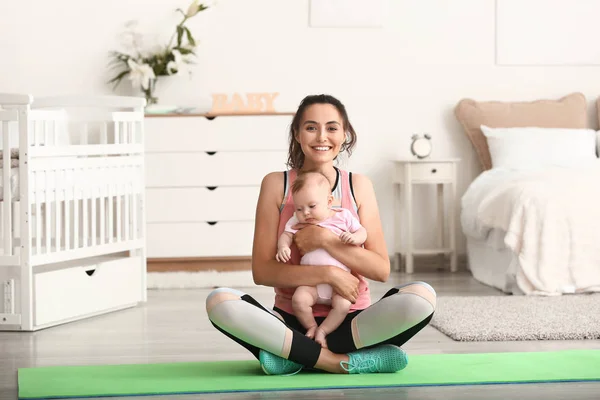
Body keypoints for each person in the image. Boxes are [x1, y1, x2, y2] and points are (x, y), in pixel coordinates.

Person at [206, 94, 436, 376]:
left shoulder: (358, 185)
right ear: (297, 133)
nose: (321, 136)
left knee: (422, 297)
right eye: (311, 127)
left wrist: (325, 240)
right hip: (292, 320)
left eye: (332, 127)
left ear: (345, 134)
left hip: (352, 320)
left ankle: (295, 355)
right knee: (219, 302)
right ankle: (343, 362)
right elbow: (262, 272)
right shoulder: (276, 184)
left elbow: (381, 269)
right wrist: (328, 274)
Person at [276, 170, 367, 349]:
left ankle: (323, 331)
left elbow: (362, 232)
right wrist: (283, 246)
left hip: (339, 285)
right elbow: (287, 234)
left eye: (312, 206)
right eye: (299, 208)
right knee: (299, 300)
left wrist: (355, 238)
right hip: (311, 283)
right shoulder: (297, 220)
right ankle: (311, 326)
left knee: (343, 304)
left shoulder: (343, 216)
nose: (305, 213)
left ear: (329, 201)